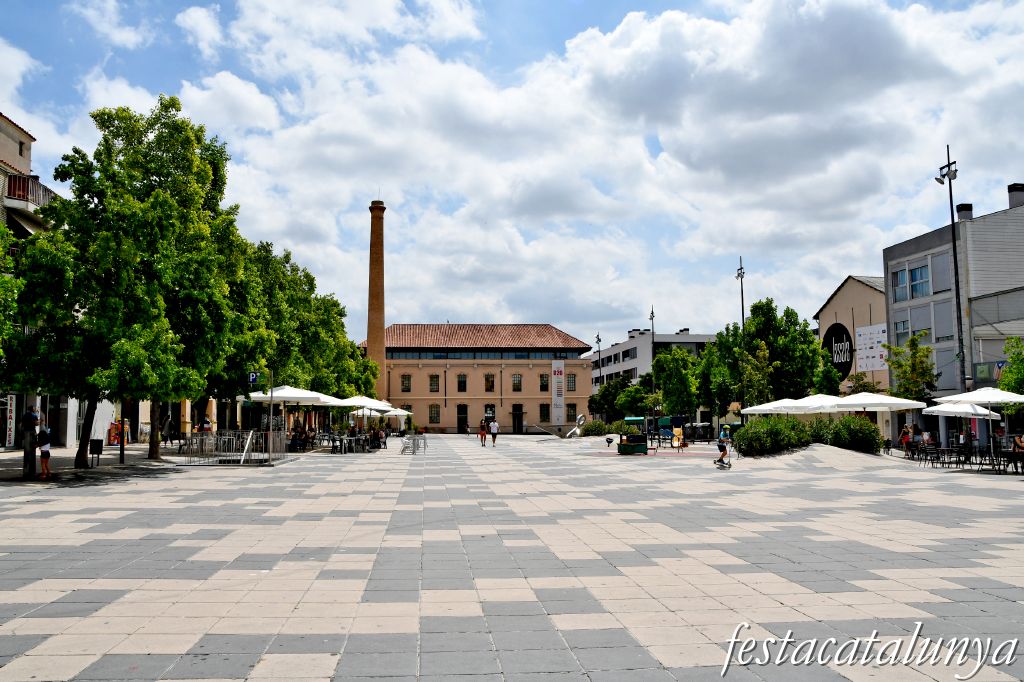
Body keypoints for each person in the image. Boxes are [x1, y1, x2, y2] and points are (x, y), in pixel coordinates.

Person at [21, 404, 39, 480]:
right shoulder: (34, 415)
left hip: (26, 432)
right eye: (34, 408)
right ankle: (32, 471)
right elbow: (36, 424)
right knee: (32, 451)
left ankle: (26, 470)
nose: (35, 409)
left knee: (27, 451)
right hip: (32, 432)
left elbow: (22, 424)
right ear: (32, 409)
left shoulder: (25, 415)